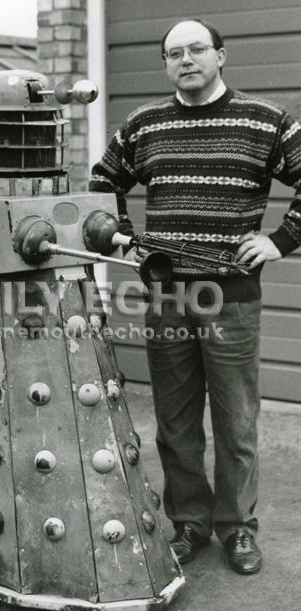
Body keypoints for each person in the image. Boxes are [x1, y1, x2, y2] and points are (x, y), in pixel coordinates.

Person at [89, 18, 301, 574]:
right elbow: (102, 178)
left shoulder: (265, 121)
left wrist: (280, 240)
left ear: (221, 56)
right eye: (174, 53)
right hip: (165, 295)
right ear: (165, 64)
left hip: (230, 296)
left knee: (236, 422)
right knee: (176, 421)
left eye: (197, 50)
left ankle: (237, 529)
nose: (186, 60)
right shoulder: (144, 123)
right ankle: (190, 524)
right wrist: (119, 234)